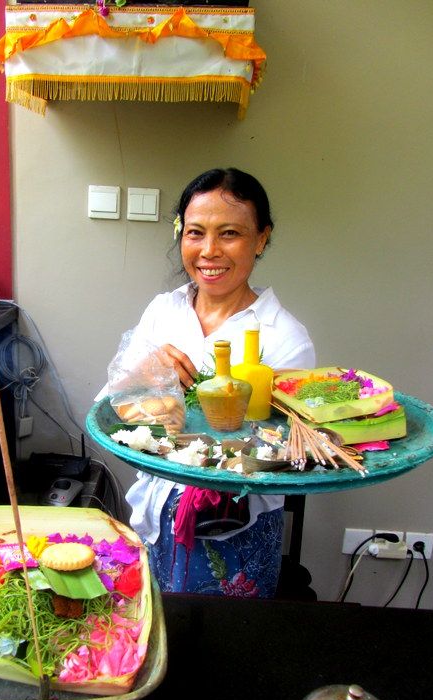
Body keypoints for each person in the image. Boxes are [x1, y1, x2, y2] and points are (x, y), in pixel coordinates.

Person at [113, 168, 315, 597]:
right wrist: (147, 372)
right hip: (154, 514)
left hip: (235, 526)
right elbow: (117, 406)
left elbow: (282, 451)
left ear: (261, 239)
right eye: (195, 233)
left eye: (229, 234)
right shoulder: (164, 311)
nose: (209, 251)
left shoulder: (283, 338)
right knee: (156, 626)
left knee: (227, 633)